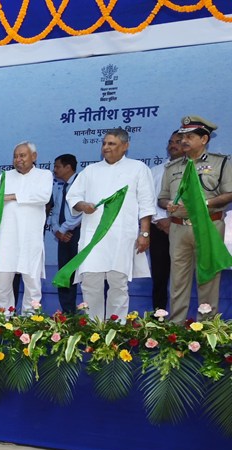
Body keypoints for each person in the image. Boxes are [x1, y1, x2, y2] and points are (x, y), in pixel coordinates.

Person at [66, 128, 156, 322]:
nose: (106, 147)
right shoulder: (91, 170)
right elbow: (73, 196)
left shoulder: (138, 168)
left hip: (122, 236)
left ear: (125, 146)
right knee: (90, 282)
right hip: (93, 236)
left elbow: (146, 203)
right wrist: (83, 205)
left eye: (111, 144)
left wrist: (145, 233)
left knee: (118, 284)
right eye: (104, 143)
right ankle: (94, 329)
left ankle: (117, 329)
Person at [158, 116, 232, 322]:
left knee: (207, 278)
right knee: (177, 281)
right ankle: (175, 327)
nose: (183, 140)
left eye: (189, 136)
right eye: (182, 136)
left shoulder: (222, 162)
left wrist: (202, 205)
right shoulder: (172, 167)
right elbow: (162, 198)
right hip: (178, 228)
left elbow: (229, 193)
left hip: (208, 225)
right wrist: (169, 205)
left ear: (204, 139)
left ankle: (206, 328)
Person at [0, 142, 53, 314]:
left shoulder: (44, 175)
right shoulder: (4, 177)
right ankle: (3, 321)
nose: (18, 159)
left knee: (32, 284)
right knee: (2, 284)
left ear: (34, 156)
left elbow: (43, 196)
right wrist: (1, 200)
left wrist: (10, 197)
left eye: (22, 155)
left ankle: (29, 324)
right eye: (15, 156)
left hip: (30, 239)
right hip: (6, 238)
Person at [149, 132, 183, 311]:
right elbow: (148, 200)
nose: (173, 145)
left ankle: (182, 318)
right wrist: (162, 220)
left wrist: (174, 220)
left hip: (185, 227)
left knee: (182, 276)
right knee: (160, 276)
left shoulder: (194, 169)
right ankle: (159, 317)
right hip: (159, 229)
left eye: (178, 142)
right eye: (170, 142)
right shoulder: (155, 171)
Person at [48, 154, 82, 314]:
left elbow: (81, 213)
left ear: (68, 167)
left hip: (77, 235)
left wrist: (64, 229)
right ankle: (67, 312)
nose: (54, 170)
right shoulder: (60, 187)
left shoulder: (81, 184)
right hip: (63, 236)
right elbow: (55, 212)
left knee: (81, 274)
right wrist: (57, 230)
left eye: (57, 167)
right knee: (64, 274)